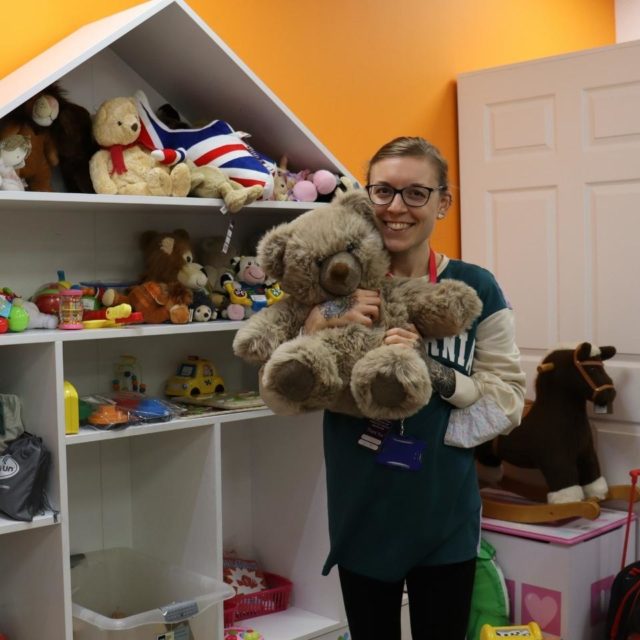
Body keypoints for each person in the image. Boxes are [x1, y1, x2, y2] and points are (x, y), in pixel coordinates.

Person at [302, 136, 526, 640]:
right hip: (361, 510)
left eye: (416, 194)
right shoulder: (335, 282)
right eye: (382, 191)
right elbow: (289, 385)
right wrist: (317, 324)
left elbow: (508, 399)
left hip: (444, 517)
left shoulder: (475, 289)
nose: (396, 208)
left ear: (443, 202)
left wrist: (436, 373)